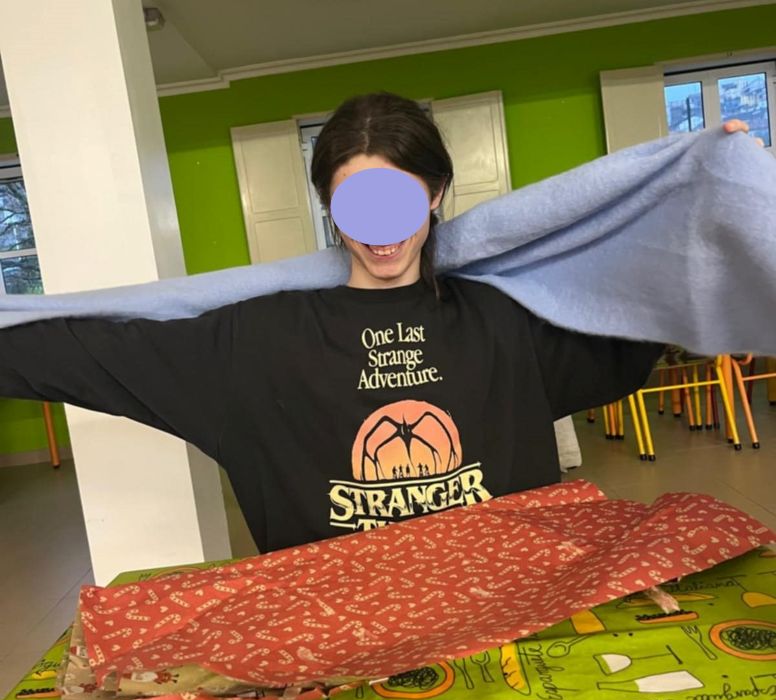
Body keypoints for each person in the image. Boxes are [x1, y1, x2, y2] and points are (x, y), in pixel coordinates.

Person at [0, 92, 755, 554]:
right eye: (356, 205)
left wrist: (715, 202)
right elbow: (87, 349)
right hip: (342, 642)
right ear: (329, 209)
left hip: (508, 614)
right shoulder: (251, 340)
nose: (381, 231)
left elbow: (645, 301)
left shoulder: (508, 319)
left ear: (436, 194)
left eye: (399, 200)